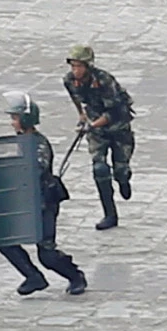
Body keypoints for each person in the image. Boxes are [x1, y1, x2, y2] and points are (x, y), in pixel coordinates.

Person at [0, 93, 87, 296]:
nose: (13, 123)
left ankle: (75, 276)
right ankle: (33, 277)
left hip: (43, 203)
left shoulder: (38, 144)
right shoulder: (19, 142)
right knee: (5, 241)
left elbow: (33, 171)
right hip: (22, 202)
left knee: (47, 253)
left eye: (15, 118)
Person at [62, 45, 136, 231]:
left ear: (88, 66)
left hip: (118, 128)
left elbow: (115, 112)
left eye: (79, 66)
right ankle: (110, 214)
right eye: (73, 66)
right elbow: (76, 98)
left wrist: (92, 125)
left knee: (120, 169)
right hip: (96, 130)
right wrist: (82, 116)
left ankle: (123, 178)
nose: (75, 70)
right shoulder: (70, 80)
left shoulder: (105, 81)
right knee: (100, 169)